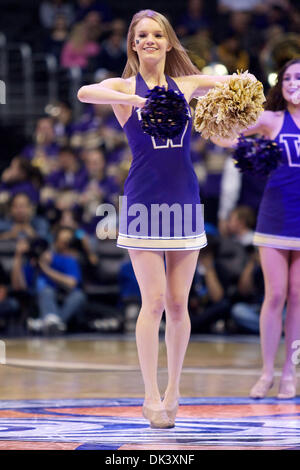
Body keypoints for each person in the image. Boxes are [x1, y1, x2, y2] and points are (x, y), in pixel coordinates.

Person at [77, 9, 255, 428]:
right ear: (133, 43)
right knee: (152, 303)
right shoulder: (123, 86)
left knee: (178, 305)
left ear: (169, 42)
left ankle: (174, 389)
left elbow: (239, 82)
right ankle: (149, 394)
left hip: (185, 202)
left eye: (158, 34)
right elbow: (86, 92)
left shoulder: (187, 84)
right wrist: (134, 101)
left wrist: (239, 93)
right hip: (143, 203)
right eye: (142, 35)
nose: (151, 40)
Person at [212, 58, 300, 399]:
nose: (294, 82)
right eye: (289, 77)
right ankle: (266, 372)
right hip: (275, 217)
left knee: (297, 296)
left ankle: (289, 374)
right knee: (275, 294)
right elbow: (228, 136)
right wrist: (216, 123)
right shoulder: (271, 119)